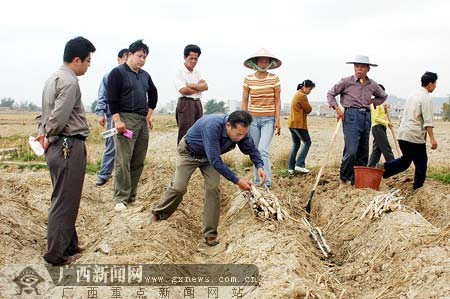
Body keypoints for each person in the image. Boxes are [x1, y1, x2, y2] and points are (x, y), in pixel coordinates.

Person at [151, 110, 266, 246]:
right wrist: (238, 181)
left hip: (209, 158)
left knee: (213, 188)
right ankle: (159, 213)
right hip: (189, 153)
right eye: (238, 134)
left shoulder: (241, 131)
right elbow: (215, 161)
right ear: (228, 126)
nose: (241, 137)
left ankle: (210, 234)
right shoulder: (211, 126)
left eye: (244, 134)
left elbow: (251, 149)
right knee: (179, 187)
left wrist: (259, 165)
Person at [35, 36, 96, 265]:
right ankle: (56, 254)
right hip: (67, 145)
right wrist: (49, 136)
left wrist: (44, 133)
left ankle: (69, 245)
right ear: (77, 59)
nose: (89, 65)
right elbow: (59, 116)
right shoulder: (69, 82)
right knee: (65, 200)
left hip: (59, 145)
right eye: (88, 61)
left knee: (65, 197)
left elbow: (45, 113)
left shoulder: (54, 78)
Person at [107, 40, 158, 212]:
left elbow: (153, 94)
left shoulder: (144, 75)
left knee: (138, 160)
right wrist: (117, 120)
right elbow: (111, 98)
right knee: (123, 160)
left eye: (144, 57)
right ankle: (120, 197)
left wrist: (149, 115)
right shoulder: (118, 73)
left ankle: (131, 196)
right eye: (139, 56)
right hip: (125, 119)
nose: (142, 60)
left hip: (141, 120)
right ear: (129, 55)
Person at [327, 55, 387, 187]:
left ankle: (358, 181)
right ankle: (344, 178)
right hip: (351, 116)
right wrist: (337, 109)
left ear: (368, 69)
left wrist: (371, 101)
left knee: (363, 151)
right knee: (351, 150)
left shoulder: (372, 84)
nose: (359, 69)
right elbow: (330, 93)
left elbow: (383, 96)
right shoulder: (346, 81)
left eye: (362, 67)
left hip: (366, 116)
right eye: (356, 66)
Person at [382, 72, 438, 190]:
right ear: (430, 84)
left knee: (405, 161)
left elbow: (403, 115)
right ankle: (418, 187)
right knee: (421, 161)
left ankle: (382, 170)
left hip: (403, 134)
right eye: (435, 83)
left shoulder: (412, 95)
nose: (435, 86)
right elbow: (428, 121)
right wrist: (432, 139)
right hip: (414, 135)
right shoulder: (426, 98)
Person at [241, 48, 281, 189]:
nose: (263, 62)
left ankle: (267, 183)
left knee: (263, 149)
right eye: (261, 59)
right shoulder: (248, 79)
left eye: (266, 60)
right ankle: (258, 181)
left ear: (270, 62)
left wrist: (278, 120)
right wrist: (243, 121)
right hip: (252, 120)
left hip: (268, 119)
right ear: (255, 62)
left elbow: (277, 100)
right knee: (255, 151)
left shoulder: (274, 78)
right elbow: (245, 100)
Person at [95, 48, 128, 186]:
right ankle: (104, 174)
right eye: (124, 59)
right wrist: (100, 113)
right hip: (112, 117)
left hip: (129, 117)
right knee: (111, 146)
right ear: (119, 59)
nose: (126, 62)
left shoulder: (133, 76)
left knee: (127, 147)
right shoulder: (109, 76)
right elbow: (102, 96)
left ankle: (124, 177)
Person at [174, 44, 208, 144]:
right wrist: (198, 88)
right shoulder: (179, 72)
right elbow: (184, 90)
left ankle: (195, 155)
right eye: (191, 58)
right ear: (185, 57)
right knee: (185, 131)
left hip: (197, 103)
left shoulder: (197, 72)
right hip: (185, 103)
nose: (193, 61)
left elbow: (205, 86)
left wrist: (191, 85)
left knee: (199, 130)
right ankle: (182, 155)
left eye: (196, 59)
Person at [288, 80, 315, 174]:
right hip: (299, 124)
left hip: (292, 124)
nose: (310, 91)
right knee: (308, 142)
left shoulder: (297, 94)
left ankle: (291, 168)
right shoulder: (302, 96)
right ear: (304, 87)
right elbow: (308, 109)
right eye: (310, 89)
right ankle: (299, 164)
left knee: (296, 145)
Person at [367, 84, 395, 167]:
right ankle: (393, 166)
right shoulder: (374, 103)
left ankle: (370, 167)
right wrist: (387, 123)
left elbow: (381, 115)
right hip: (377, 127)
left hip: (381, 128)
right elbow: (375, 118)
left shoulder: (380, 103)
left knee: (377, 150)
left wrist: (385, 110)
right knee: (386, 148)